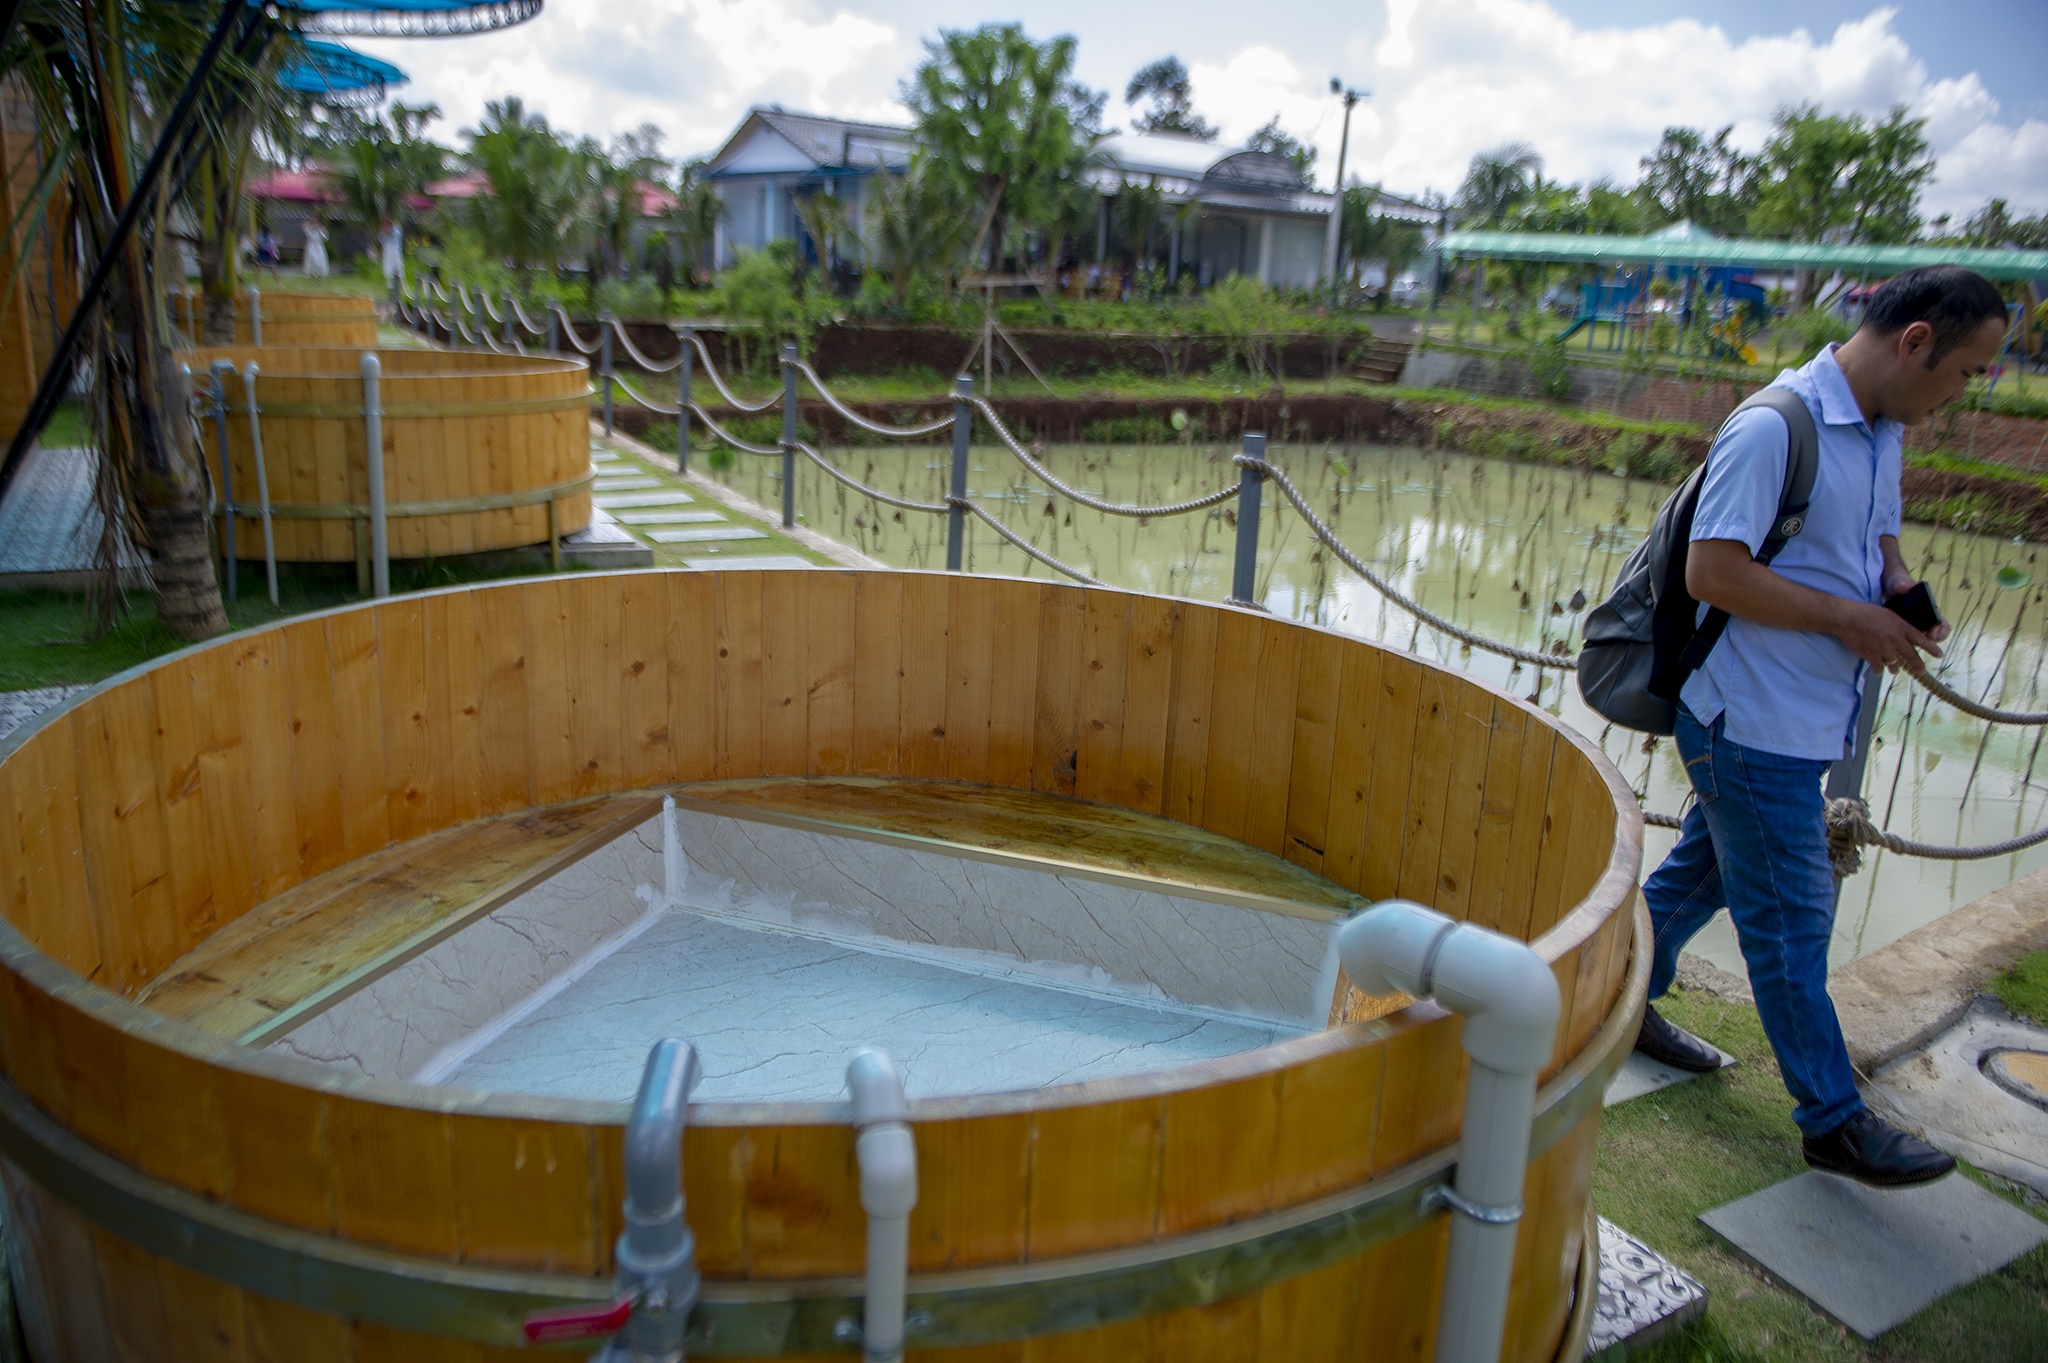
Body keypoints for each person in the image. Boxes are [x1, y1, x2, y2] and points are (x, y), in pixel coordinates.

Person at [1635, 265, 2010, 1187]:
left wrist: (1900, 597)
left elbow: (1872, 548)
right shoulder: (1776, 426)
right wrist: (1852, 621)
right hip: (1747, 717)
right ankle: (1832, 1118)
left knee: (1698, 881)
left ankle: (1614, 994)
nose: (1965, 395)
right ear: (1915, 341)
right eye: (1966, 371)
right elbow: (1713, 573)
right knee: (1794, 925)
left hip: (1803, 722)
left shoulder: (1884, 429)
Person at [379, 219, 404, 290]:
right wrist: (384, 231)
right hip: (387, 250)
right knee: (388, 267)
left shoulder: (396, 228)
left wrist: (390, 229)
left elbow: (397, 236)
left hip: (395, 250)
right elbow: (381, 239)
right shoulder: (384, 230)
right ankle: (389, 283)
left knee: (397, 267)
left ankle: (399, 284)